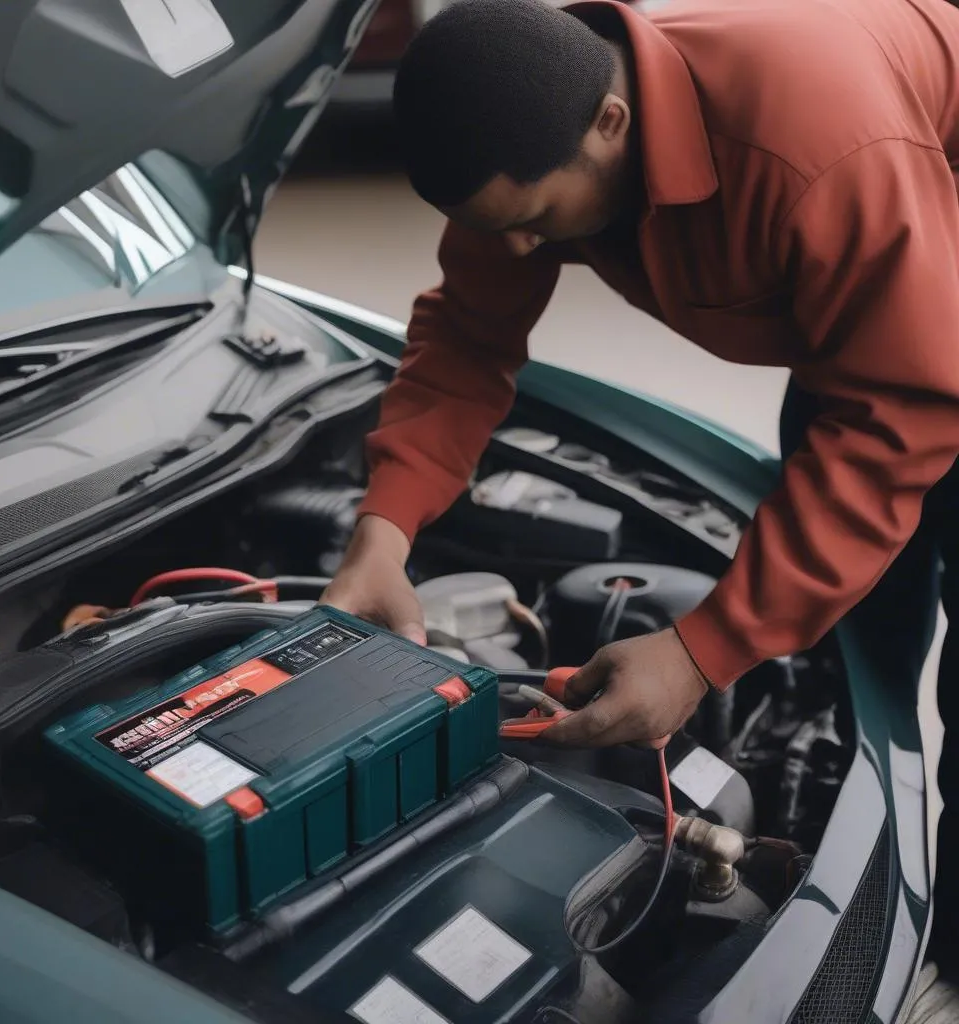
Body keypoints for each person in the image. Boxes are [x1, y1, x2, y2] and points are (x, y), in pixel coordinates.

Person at [321, 0, 959, 959]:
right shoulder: (529, 138)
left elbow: (899, 417)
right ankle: (885, 794)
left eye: (535, 220)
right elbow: (467, 337)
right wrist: (385, 529)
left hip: (919, 275)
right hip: (884, 305)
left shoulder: (816, 148)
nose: (525, 251)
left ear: (612, 123)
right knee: (860, 624)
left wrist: (705, 652)